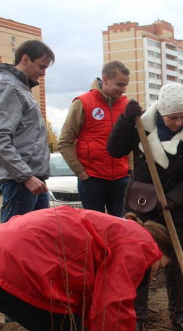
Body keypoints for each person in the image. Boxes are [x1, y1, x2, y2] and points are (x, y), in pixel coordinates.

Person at [0, 206, 168, 331]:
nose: (151, 278)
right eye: (157, 267)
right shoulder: (141, 244)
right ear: (156, 248)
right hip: (9, 268)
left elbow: (92, 302)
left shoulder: (120, 230)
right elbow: (114, 308)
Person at [107, 83, 183, 331]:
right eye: (173, 117)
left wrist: (173, 198)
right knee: (138, 263)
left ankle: (178, 316)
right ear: (161, 112)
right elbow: (114, 150)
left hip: (177, 207)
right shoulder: (141, 126)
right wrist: (126, 121)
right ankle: (137, 320)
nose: (179, 122)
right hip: (141, 205)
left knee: (175, 261)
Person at [0, 40, 55, 223]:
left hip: (31, 181)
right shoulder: (8, 87)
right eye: (41, 66)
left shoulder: (20, 87)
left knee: (38, 242)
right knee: (13, 246)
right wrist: (26, 177)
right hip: (22, 183)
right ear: (25, 59)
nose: (43, 73)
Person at [58, 61, 131, 217]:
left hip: (120, 178)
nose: (123, 89)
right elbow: (65, 142)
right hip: (92, 179)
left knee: (121, 227)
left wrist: (129, 170)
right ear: (105, 79)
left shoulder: (126, 105)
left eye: (125, 85)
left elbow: (131, 141)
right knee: (95, 227)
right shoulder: (83, 103)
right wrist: (81, 172)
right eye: (119, 84)